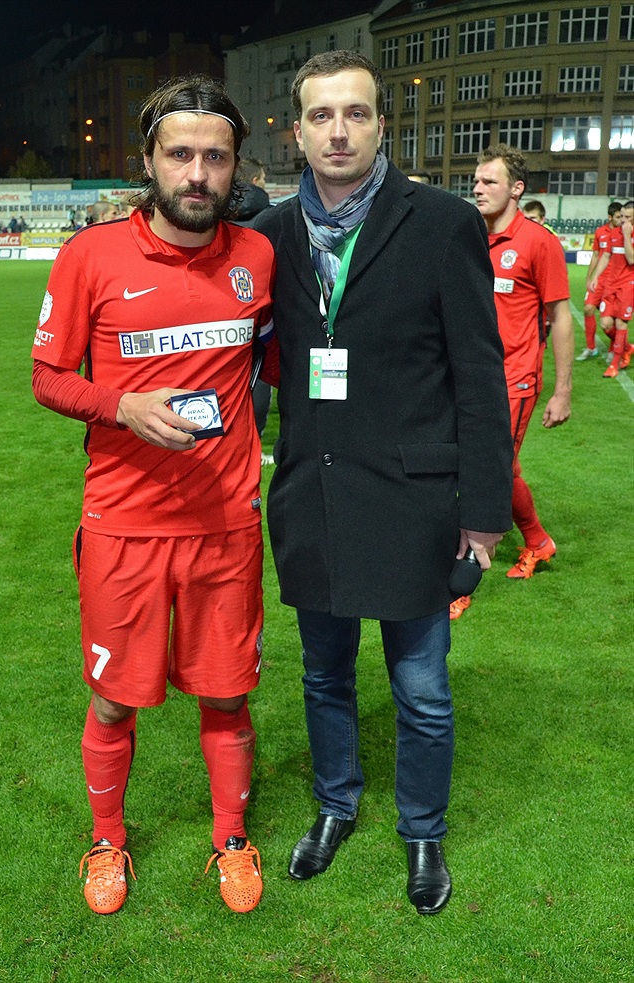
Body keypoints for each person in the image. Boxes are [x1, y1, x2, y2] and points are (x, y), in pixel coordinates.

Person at [253, 51, 513, 915]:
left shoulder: (441, 221)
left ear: (378, 124)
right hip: (314, 499)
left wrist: (482, 514)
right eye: (320, 115)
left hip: (410, 501)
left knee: (423, 690)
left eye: (354, 113)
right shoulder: (276, 233)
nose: (338, 130)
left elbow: (478, 380)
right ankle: (334, 805)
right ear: (297, 130)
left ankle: (423, 829)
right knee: (323, 678)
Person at [31, 74, 275, 916]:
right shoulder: (89, 256)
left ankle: (231, 840)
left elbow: (272, 364)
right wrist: (121, 403)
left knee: (227, 690)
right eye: (181, 155)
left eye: (215, 155)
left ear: (236, 163)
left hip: (225, 523)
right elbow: (46, 378)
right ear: (149, 160)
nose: (198, 173)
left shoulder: (257, 256)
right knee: (112, 695)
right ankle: (108, 841)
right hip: (125, 525)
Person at [469, 144, 573, 600]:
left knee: (488, 470)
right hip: (470, 375)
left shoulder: (538, 241)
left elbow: (560, 316)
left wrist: (562, 391)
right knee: (487, 469)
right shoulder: (470, 235)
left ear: (516, 189)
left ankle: (462, 580)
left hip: (515, 377)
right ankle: (537, 540)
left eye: (489, 182)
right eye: (476, 180)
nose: (478, 188)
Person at [230, 158, 274, 460]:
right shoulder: (279, 219)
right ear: (259, 180)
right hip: (270, 320)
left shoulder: (206, 215)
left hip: (218, 324)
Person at [592, 200, 634, 378]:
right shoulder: (613, 233)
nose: (623, 220)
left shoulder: (627, 235)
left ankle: (614, 364)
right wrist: (595, 276)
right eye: (622, 216)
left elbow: (631, 259)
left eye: (627, 217)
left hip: (627, 285)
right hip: (610, 284)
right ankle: (627, 347)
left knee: (620, 323)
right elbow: (605, 256)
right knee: (606, 324)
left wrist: (626, 236)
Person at [579, 201, 623, 361]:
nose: (621, 220)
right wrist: (589, 277)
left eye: (623, 216)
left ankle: (616, 346)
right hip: (600, 279)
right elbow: (596, 255)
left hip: (615, 281)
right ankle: (591, 348)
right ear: (610, 217)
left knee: (611, 319)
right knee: (588, 308)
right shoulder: (600, 232)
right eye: (618, 217)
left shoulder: (625, 234)